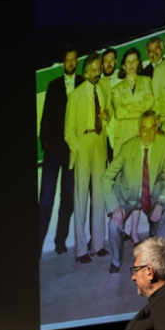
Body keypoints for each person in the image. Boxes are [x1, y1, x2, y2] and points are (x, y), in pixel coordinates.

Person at [103, 111, 165, 273]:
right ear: (139, 129)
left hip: (151, 194)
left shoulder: (164, 143)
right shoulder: (127, 148)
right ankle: (116, 259)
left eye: (152, 128)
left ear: (156, 128)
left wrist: (160, 203)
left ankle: (158, 250)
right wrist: (114, 207)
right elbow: (106, 178)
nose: (148, 133)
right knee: (113, 225)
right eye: (144, 128)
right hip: (127, 196)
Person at [66, 52, 113, 265]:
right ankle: (81, 250)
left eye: (99, 68)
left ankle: (98, 245)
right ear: (86, 71)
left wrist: (107, 115)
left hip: (100, 142)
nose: (97, 72)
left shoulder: (104, 87)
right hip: (83, 144)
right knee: (81, 196)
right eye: (93, 69)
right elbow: (68, 131)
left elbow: (109, 109)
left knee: (100, 195)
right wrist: (79, 148)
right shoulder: (75, 95)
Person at [113, 49, 158, 244]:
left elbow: (150, 105)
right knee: (126, 186)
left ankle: (134, 232)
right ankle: (120, 226)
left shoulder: (146, 82)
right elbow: (119, 112)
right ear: (123, 66)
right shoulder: (116, 89)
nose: (131, 64)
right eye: (127, 62)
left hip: (142, 140)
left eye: (134, 61)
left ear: (139, 63)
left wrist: (133, 106)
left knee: (141, 186)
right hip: (124, 143)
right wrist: (139, 106)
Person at [38, 46, 79, 256]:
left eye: (74, 59)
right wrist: (45, 143)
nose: (70, 63)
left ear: (77, 61)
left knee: (69, 196)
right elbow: (45, 117)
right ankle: (36, 246)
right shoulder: (53, 86)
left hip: (74, 150)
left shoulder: (83, 83)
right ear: (63, 63)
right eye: (67, 60)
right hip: (53, 149)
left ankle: (60, 241)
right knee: (45, 197)